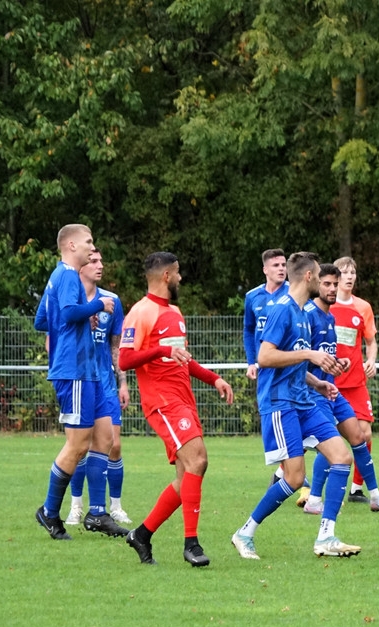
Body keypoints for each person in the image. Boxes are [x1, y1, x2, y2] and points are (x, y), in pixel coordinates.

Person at [232, 252, 361, 559]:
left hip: (303, 400)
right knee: (292, 478)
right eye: (320, 277)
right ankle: (244, 532)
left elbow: (293, 363)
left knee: (342, 456)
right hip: (280, 403)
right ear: (308, 277)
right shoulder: (282, 311)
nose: (324, 282)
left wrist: (318, 382)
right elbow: (265, 357)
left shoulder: (303, 314)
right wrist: (309, 355)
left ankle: (326, 537)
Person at [120, 252, 235, 566]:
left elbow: (181, 358)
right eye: (179, 273)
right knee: (198, 459)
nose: (182, 278)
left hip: (184, 400)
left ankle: (141, 534)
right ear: (167, 276)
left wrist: (214, 379)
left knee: (186, 477)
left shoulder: (175, 311)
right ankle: (191, 545)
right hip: (162, 402)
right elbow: (125, 360)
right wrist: (160, 349)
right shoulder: (141, 312)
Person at [34, 224, 128, 541]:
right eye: (89, 242)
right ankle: (49, 512)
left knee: (105, 439)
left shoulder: (58, 278)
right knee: (77, 446)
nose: (92, 247)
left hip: (88, 371)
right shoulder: (67, 275)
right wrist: (95, 307)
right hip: (72, 370)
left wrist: (75, 317)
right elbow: (69, 312)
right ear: (71, 245)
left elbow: (42, 319)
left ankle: (98, 513)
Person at [301, 263, 379, 516]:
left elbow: (328, 356)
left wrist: (339, 363)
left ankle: (374, 496)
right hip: (314, 393)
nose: (333, 288)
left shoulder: (331, 317)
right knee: (330, 446)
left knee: (359, 437)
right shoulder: (307, 314)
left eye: (335, 283)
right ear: (315, 283)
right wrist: (318, 378)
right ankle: (312, 499)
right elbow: (297, 359)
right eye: (328, 284)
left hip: (333, 390)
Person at [329, 256, 378, 503]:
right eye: (344, 272)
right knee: (323, 436)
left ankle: (357, 488)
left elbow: (371, 342)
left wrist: (371, 360)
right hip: (330, 383)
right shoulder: (324, 305)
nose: (349, 276)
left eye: (352, 272)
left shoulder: (363, 307)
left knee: (365, 434)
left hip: (356, 382)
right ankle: (303, 487)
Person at [243, 248, 289, 382]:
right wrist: (251, 362)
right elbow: (249, 330)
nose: (281, 269)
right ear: (265, 270)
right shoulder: (252, 296)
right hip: (265, 367)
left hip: (290, 366)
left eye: (283, 265)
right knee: (265, 402)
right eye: (276, 265)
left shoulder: (294, 293)